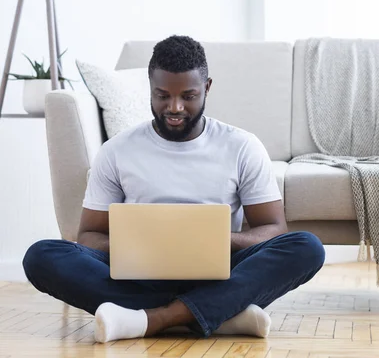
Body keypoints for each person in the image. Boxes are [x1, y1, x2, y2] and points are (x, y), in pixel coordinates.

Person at [22, 35, 326, 343]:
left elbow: (274, 228)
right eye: (163, 95)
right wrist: (140, 245)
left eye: (188, 96)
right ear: (150, 88)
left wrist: (221, 241)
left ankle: (152, 319)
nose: (175, 107)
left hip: (219, 271)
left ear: (207, 88)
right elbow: (88, 236)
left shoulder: (241, 146)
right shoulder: (117, 151)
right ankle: (217, 313)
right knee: (42, 256)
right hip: (139, 275)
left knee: (306, 247)